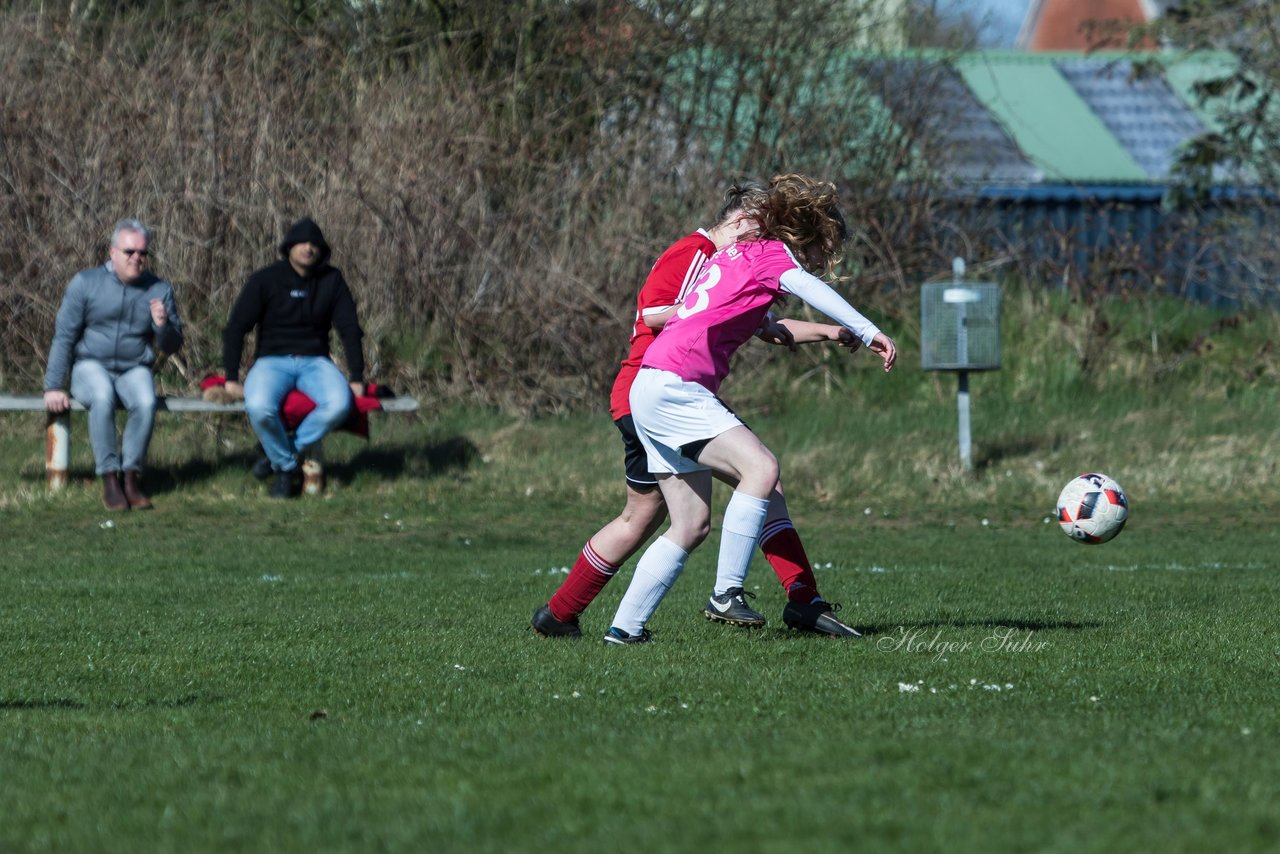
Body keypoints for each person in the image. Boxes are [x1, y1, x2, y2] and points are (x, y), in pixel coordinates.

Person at [532, 182, 867, 641]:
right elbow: (652, 314)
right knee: (759, 475)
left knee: (658, 517)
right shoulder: (698, 252)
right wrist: (712, 306)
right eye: (760, 227)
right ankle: (786, 597)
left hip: (657, 387)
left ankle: (571, 615)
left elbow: (763, 327)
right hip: (656, 384)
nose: (763, 238)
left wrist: (828, 332)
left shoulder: (729, 262)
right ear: (741, 220)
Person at [43, 218, 184, 511]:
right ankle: (109, 479)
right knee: (102, 396)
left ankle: (131, 478)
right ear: (112, 252)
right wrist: (54, 386)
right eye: (129, 252)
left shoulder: (159, 290)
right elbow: (65, 336)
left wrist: (162, 325)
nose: (137, 258)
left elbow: (172, 345)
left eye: (142, 253)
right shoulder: (85, 283)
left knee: (146, 401)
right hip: (90, 365)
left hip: (134, 367)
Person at [222, 218, 365, 499]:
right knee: (259, 406)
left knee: (339, 404)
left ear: (321, 251)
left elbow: (349, 329)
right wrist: (230, 378)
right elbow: (236, 327)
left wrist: (357, 377)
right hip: (272, 361)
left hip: (316, 362)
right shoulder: (265, 280)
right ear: (288, 247)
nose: (308, 248)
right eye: (302, 242)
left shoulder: (332, 281)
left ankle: (275, 451)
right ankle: (286, 468)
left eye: (314, 244)